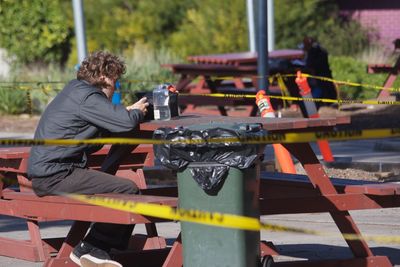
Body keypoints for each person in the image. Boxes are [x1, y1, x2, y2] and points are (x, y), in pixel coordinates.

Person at [27, 51, 149, 267]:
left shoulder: (76, 91)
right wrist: (137, 112)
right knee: (128, 190)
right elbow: (126, 123)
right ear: (104, 77)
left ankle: (97, 249)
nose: (116, 87)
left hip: (51, 172)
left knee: (121, 188)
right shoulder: (88, 97)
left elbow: (103, 128)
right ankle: (93, 247)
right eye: (115, 81)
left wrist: (123, 113)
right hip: (55, 175)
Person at [301, 36, 338, 109]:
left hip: (318, 76)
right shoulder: (319, 51)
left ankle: (316, 103)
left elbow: (311, 66)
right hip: (322, 75)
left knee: (319, 90)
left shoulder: (314, 52)